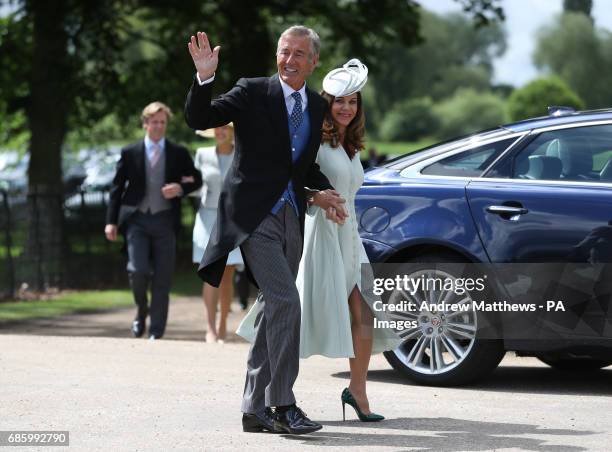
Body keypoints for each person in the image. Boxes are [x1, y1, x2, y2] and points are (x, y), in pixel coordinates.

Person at [185, 26, 347, 434]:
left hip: (292, 216)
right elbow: (200, 118)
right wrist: (205, 78)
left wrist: (322, 190)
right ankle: (282, 404)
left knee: (274, 307)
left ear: (313, 62)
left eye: (299, 54)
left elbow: (300, 165)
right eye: (284, 52)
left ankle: (253, 408)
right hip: (253, 218)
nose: (289, 60)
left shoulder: (314, 105)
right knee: (286, 301)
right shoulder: (252, 91)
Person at [238, 59, 401, 421]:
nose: (346, 108)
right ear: (327, 102)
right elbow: (291, 180)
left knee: (365, 314)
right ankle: (268, 396)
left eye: (353, 101)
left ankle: (357, 392)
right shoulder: (313, 138)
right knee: (292, 316)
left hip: (350, 238)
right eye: (340, 101)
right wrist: (315, 198)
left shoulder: (353, 145)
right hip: (318, 237)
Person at [105, 101, 202, 340]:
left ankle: (156, 330)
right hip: (136, 219)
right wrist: (111, 221)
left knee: (163, 276)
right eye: (154, 122)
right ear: (145, 123)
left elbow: (196, 180)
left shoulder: (178, 152)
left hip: (165, 221)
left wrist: (180, 187)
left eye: (163, 122)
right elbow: (117, 188)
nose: (159, 126)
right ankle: (141, 311)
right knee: (137, 271)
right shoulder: (130, 153)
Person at [192, 124, 243, 343]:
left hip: (232, 220)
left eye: (225, 128)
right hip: (207, 219)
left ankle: (223, 324)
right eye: (218, 129)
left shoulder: (242, 155)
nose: (220, 132)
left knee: (227, 275)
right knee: (209, 273)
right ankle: (210, 328)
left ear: (233, 132)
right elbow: (194, 185)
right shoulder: (202, 155)